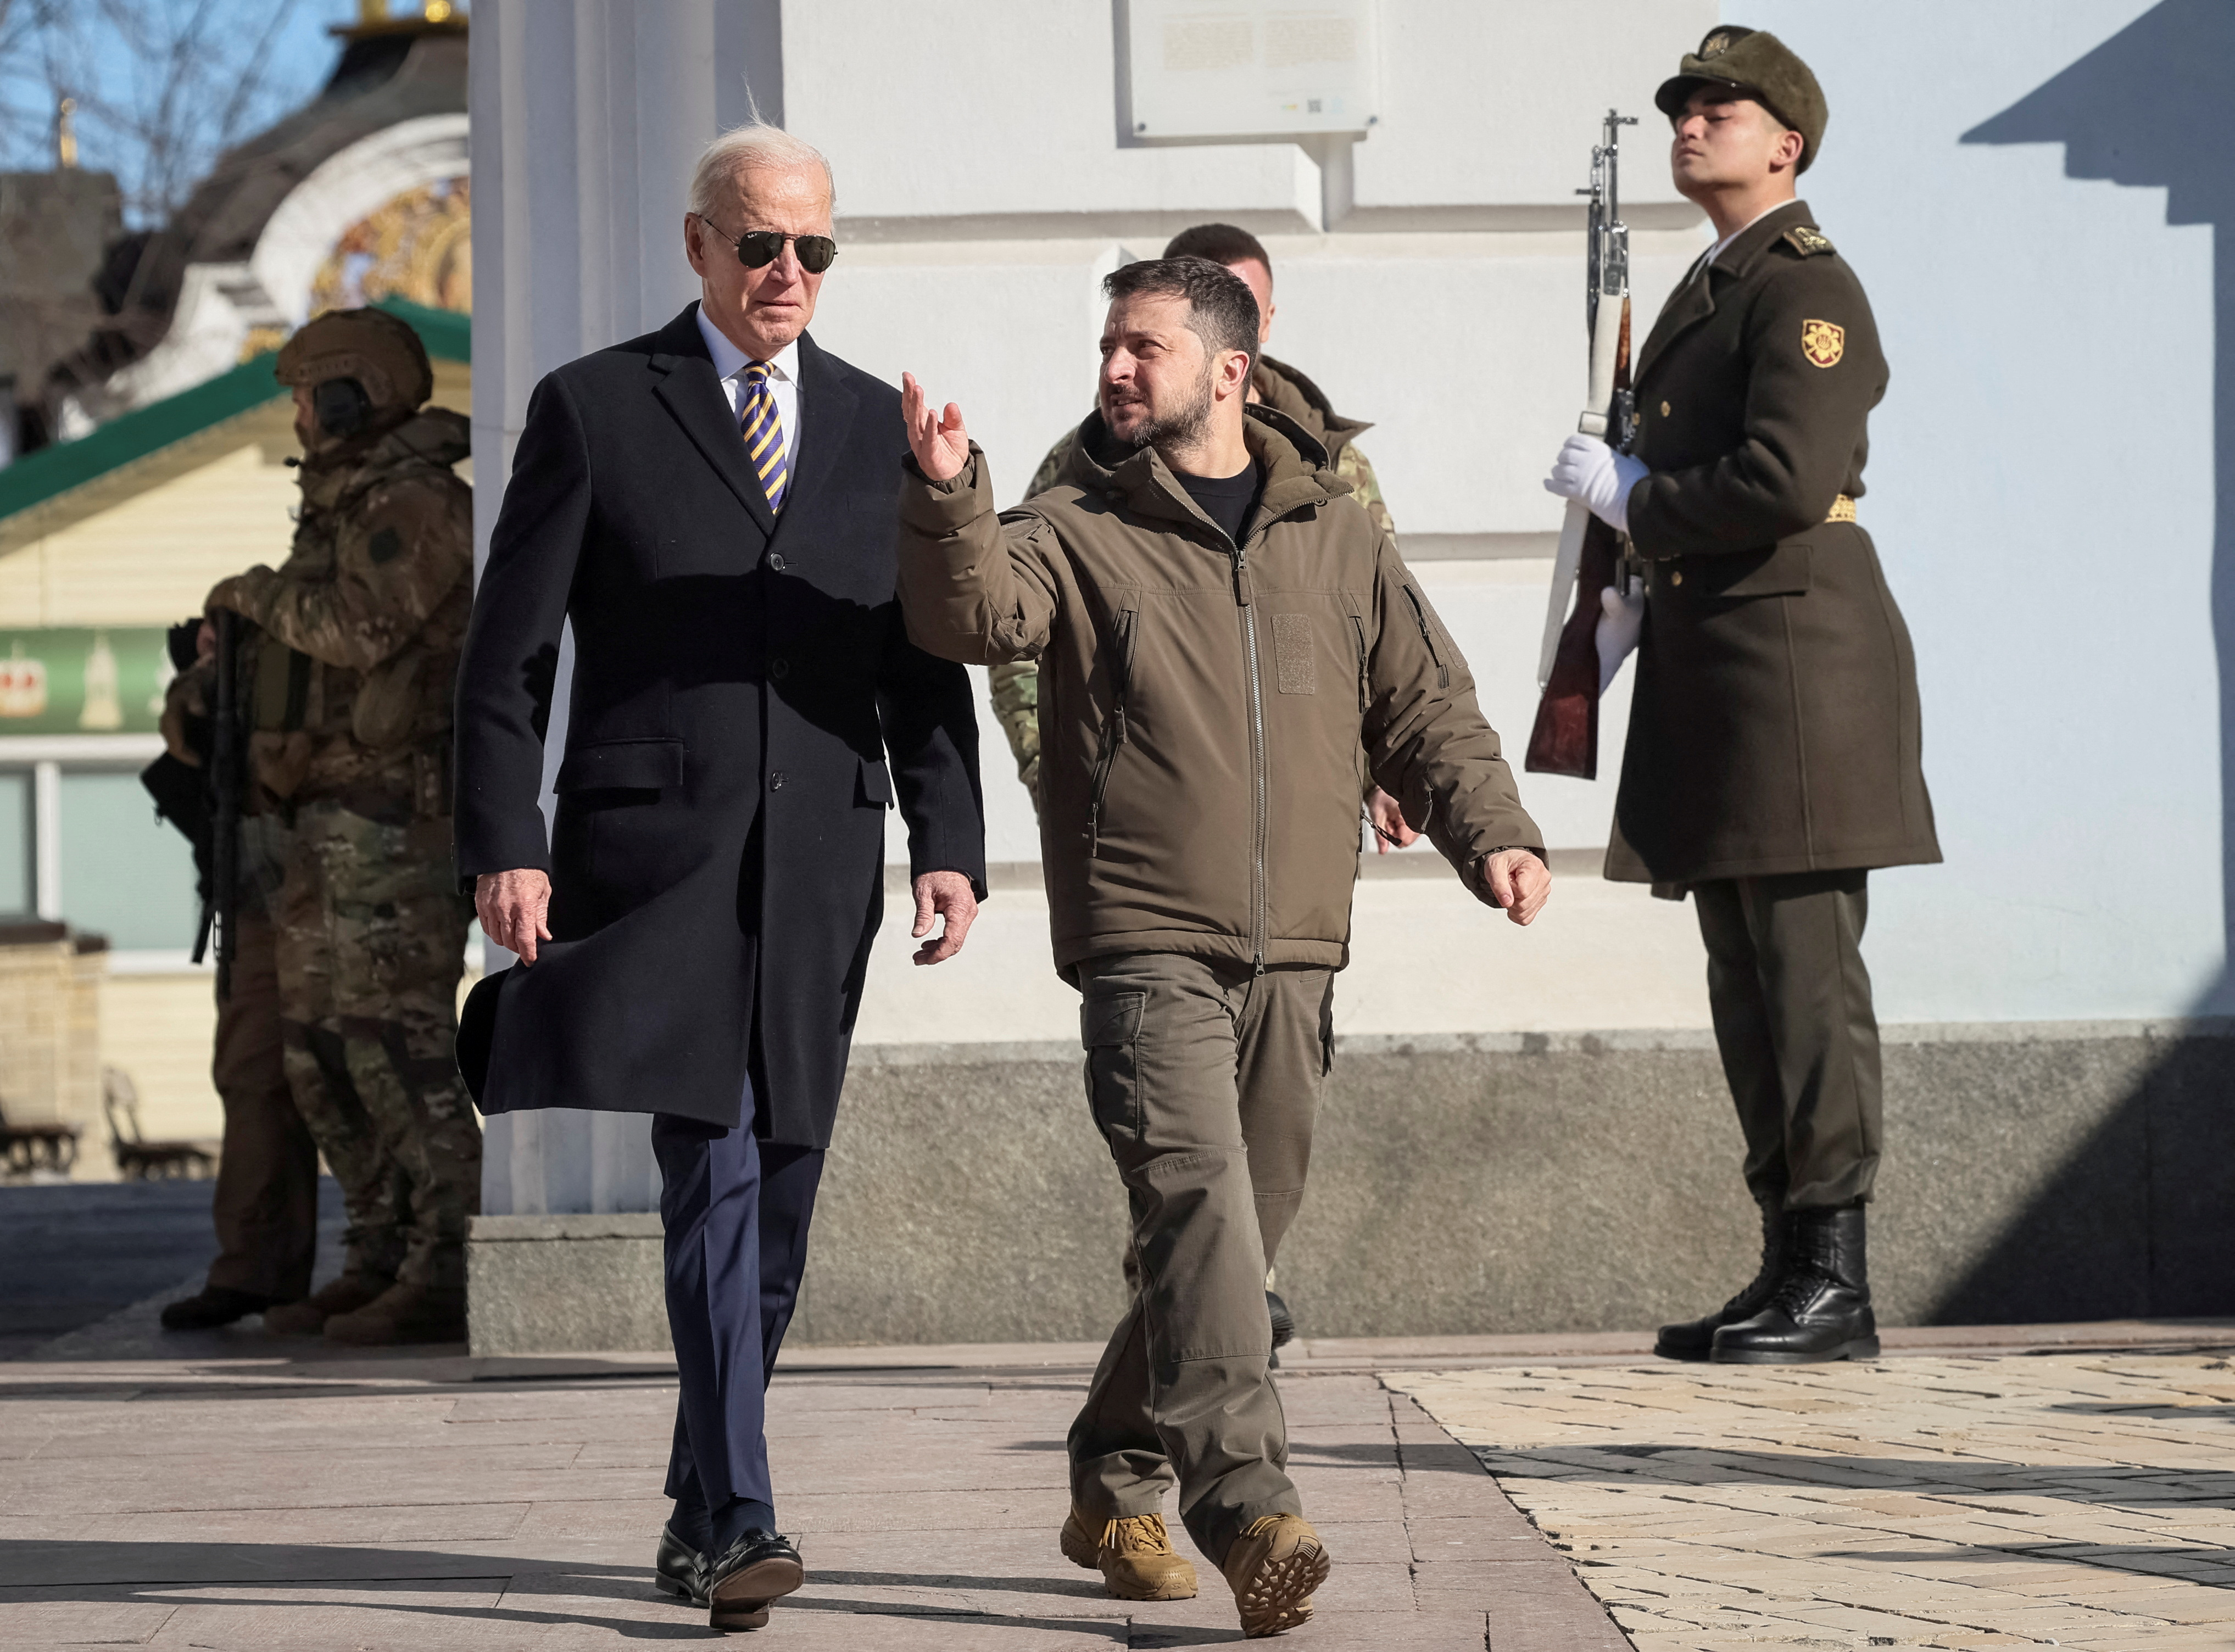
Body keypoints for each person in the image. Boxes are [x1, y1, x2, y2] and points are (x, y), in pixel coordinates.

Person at [898, 256, 1548, 1638]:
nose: (1115, 369)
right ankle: (1250, 1504)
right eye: (1108, 347)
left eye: (1143, 348)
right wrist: (950, 492)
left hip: (1299, 945)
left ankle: (1116, 1468)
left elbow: (1424, 702)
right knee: (1198, 1210)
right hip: (1142, 937)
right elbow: (970, 616)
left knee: (1230, 1240)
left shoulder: (1336, 534)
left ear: (1228, 373)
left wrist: (1490, 831)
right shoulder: (1076, 527)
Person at [454, 123, 986, 1634]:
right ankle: (746, 1508)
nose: (787, 274)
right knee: (718, 1165)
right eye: (759, 245)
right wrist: (504, 840)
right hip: (655, 859)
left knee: (789, 1182)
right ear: (696, 246)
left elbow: (921, 660)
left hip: (825, 858)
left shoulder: (884, 422)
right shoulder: (596, 408)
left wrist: (948, 840)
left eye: (813, 249)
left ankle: (698, 1506)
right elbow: (509, 658)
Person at [1543, 27, 1939, 1366]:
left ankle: (1837, 1272)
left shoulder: (1803, 290)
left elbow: (1781, 477)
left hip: (1797, 667)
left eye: (1723, 107)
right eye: (1685, 106)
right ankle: (1786, 1259)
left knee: (1805, 974)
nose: (1694, 121)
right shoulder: (1709, 290)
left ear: (1790, 142)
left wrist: (1639, 500)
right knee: (1743, 974)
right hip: (1723, 665)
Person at [1002, 222, 1414, 1358]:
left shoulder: (1329, 469)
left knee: (1266, 1135)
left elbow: (1377, 636)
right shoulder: (1087, 465)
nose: (1126, 364)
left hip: (1290, 869)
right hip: (1154, 866)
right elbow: (1020, 637)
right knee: (1183, 1147)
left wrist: (1382, 765)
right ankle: (1231, 1422)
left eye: (1245, 299)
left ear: (1252, 331)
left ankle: (1160, 1382)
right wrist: (1066, 772)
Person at [196, 307, 480, 1347]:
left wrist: (252, 594)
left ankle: (445, 1260)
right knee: (320, 1053)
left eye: (311, 395)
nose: (302, 416)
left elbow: (360, 631)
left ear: (355, 393)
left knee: (396, 1047)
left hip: (397, 824)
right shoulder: (339, 510)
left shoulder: (417, 505)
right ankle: (378, 1251)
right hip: (323, 823)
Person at [152, 630, 320, 1333]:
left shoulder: (334, 625)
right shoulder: (248, 638)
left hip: (347, 885)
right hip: (259, 892)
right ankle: (254, 1267)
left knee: (361, 1077)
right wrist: (209, 666)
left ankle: (409, 1264)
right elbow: (184, 728)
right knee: (251, 1073)